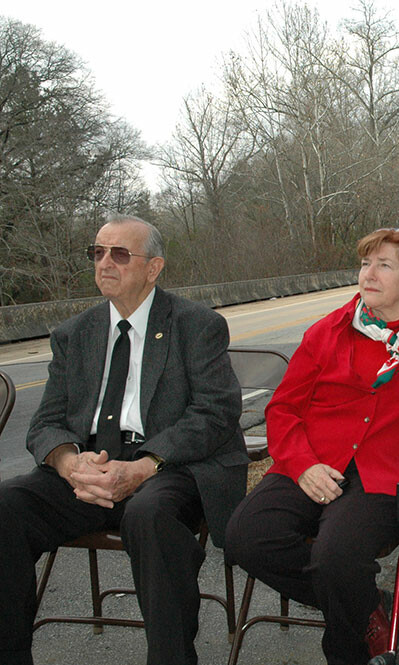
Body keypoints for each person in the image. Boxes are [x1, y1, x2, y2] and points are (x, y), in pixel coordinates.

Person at [223, 229, 399, 665]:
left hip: (386, 472)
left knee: (336, 558)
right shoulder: (328, 330)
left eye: (385, 265)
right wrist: (303, 464)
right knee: (245, 538)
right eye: (366, 263)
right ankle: (367, 606)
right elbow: (283, 410)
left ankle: (347, 649)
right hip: (311, 461)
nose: (369, 273)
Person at [0, 215, 248, 665]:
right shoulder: (74, 334)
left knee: (149, 514)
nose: (105, 263)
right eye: (97, 252)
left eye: (119, 253)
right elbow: (46, 424)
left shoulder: (197, 325)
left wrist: (143, 466)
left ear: (154, 268)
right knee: (6, 505)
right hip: (92, 466)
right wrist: (69, 463)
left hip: (170, 465)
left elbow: (216, 414)